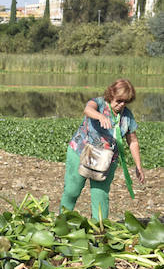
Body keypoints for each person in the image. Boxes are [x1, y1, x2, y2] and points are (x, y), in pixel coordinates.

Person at [60, 79, 146, 221]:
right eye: (119, 100)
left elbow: (133, 142)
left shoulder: (127, 116)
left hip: (106, 161)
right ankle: (62, 222)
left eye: (126, 101)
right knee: (72, 191)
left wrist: (138, 166)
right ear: (111, 94)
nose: (121, 105)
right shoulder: (98, 103)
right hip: (81, 152)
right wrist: (100, 116)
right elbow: (88, 109)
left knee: (100, 196)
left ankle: (99, 232)